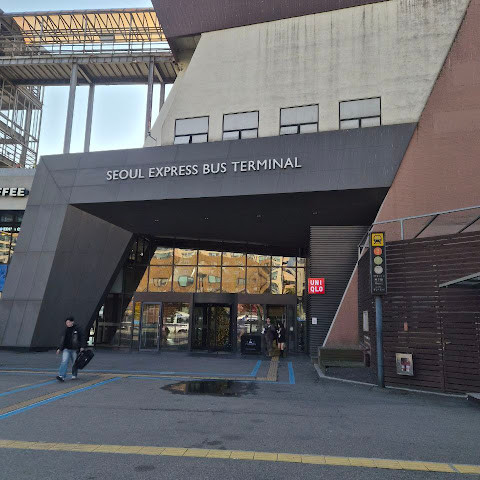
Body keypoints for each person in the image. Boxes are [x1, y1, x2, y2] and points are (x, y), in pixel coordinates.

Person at [56, 317, 85, 382]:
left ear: (72, 322)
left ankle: (74, 374)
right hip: (66, 349)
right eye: (66, 322)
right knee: (64, 361)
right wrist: (59, 348)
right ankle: (61, 376)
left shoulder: (77, 329)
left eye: (69, 322)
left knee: (74, 362)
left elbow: (82, 337)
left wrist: (82, 346)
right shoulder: (65, 330)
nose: (67, 324)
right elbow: (62, 340)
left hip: (75, 349)